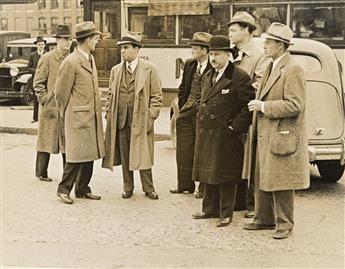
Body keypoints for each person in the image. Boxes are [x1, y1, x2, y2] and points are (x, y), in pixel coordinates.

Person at [244, 22, 310, 239]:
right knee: (263, 176)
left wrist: (263, 106)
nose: (264, 46)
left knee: (282, 181)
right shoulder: (273, 66)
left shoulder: (293, 69)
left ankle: (285, 224)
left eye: (268, 43)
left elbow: (295, 105)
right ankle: (264, 219)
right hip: (267, 132)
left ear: (280, 46)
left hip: (280, 133)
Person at [192, 35, 255, 227]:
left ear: (228, 55)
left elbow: (247, 107)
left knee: (226, 175)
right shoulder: (209, 75)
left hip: (227, 135)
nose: (213, 58)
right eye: (211, 54)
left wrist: (233, 128)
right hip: (208, 132)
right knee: (208, 172)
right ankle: (209, 208)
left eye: (217, 54)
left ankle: (226, 213)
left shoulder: (239, 77)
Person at [102, 31, 163, 200]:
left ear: (136, 49)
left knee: (143, 154)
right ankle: (127, 187)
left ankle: (148, 188)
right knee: (125, 154)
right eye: (121, 48)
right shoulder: (116, 70)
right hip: (121, 120)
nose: (122, 51)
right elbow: (110, 94)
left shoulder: (150, 69)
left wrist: (151, 116)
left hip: (141, 120)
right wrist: (108, 113)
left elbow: (157, 96)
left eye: (126, 48)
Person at [54, 21, 105, 204]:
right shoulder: (71, 62)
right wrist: (68, 114)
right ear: (87, 40)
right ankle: (63, 189)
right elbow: (60, 94)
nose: (97, 42)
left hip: (90, 117)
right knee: (75, 157)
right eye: (95, 38)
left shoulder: (89, 58)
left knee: (88, 155)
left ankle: (83, 189)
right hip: (77, 118)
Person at [227, 11, 271, 218]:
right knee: (234, 155)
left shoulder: (259, 55)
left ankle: (252, 203)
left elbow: (259, 84)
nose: (230, 33)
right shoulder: (231, 52)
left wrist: (236, 97)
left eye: (234, 30)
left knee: (251, 158)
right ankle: (237, 200)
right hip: (233, 112)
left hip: (250, 114)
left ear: (246, 31)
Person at [170, 32, 213, 199]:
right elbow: (183, 88)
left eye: (195, 47)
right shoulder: (189, 65)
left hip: (203, 114)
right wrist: (182, 107)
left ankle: (203, 188)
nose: (192, 50)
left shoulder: (213, 65)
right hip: (187, 112)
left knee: (202, 150)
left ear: (204, 50)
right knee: (183, 150)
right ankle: (185, 185)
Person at [33, 25, 72, 182]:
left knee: (67, 143)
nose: (68, 43)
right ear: (58, 40)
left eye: (70, 39)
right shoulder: (47, 58)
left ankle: (67, 175)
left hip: (66, 108)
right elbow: (38, 83)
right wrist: (45, 99)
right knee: (45, 140)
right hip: (50, 107)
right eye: (65, 39)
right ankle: (41, 172)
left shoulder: (71, 59)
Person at [28, 36, 46, 123]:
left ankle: (44, 118)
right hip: (35, 80)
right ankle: (35, 118)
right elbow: (29, 67)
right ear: (36, 45)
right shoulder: (32, 55)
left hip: (45, 81)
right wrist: (37, 72)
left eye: (42, 44)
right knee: (35, 99)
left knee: (45, 99)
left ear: (44, 45)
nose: (41, 46)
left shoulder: (47, 54)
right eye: (39, 44)